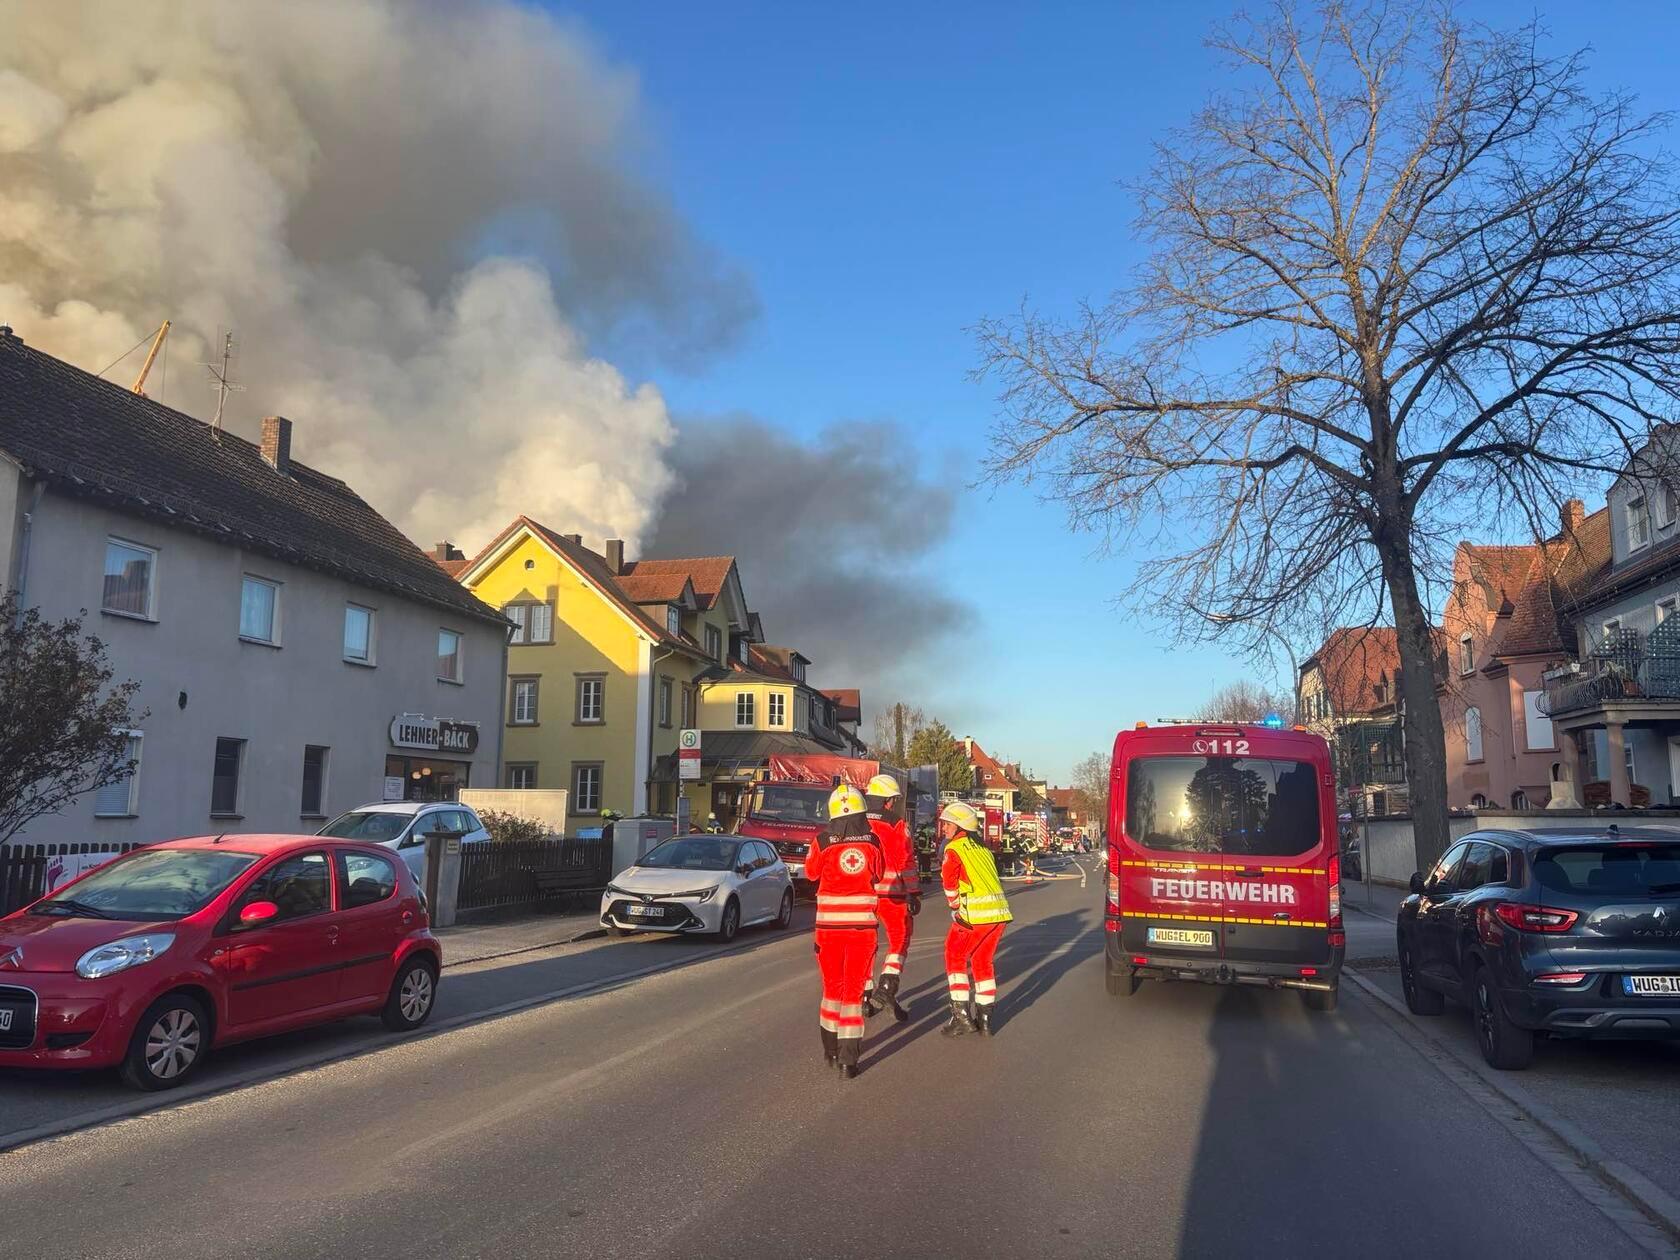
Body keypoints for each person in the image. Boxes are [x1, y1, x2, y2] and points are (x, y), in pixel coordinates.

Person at [804, 784, 883, 1079]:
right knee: (852, 993)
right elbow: (879, 872)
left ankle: (831, 1049)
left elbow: (811, 873)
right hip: (862, 930)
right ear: (863, 812)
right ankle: (850, 1061)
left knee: (831, 990)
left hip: (828, 930)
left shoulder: (822, 841)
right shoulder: (873, 842)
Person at [938, 801, 1013, 1037]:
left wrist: (955, 906)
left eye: (948, 824)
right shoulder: (982, 849)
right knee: (982, 962)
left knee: (954, 956)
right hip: (999, 914)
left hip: (974, 916)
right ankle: (986, 1018)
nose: (944, 829)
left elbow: (949, 882)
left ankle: (961, 1016)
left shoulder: (955, 849)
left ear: (959, 826)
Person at [862, 773, 919, 1022]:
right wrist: (914, 891)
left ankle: (865, 995)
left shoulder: (857, 823)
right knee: (900, 939)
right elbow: (905, 861)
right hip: (892, 894)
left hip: (863, 894)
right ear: (889, 801)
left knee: (865, 944)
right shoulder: (896, 824)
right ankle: (886, 987)